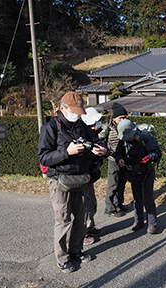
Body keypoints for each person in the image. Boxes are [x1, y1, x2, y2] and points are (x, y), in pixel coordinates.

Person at [38, 92, 108, 273]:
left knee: (81, 219)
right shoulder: (50, 128)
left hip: (82, 179)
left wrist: (103, 150)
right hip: (61, 181)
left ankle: (76, 251)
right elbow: (44, 158)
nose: (77, 115)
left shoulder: (81, 126)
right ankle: (62, 258)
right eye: (74, 111)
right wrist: (66, 152)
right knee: (63, 220)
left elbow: (96, 141)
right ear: (62, 109)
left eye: (79, 111)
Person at [114, 119, 162, 234]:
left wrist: (146, 159)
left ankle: (152, 224)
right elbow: (118, 152)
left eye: (128, 137)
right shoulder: (123, 141)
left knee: (148, 198)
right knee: (137, 199)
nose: (126, 139)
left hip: (147, 172)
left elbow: (157, 152)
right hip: (132, 172)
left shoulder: (145, 138)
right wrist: (119, 159)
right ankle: (138, 221)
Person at [80, 107, 106, 245]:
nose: (97, 125)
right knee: (83, 205)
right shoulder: (81, 134)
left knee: (91, 203)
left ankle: (90, 228)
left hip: (89, 175)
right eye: (95, 122)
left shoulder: (92, 133)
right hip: (81, 176)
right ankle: (81, 234)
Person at [98, 103, 129, 217]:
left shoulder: (127, 125)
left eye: (125, 117)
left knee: (122, 183)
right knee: (113, 184)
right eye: (120, 117)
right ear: (114, 118)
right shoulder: (107, 127)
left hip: (125, 159)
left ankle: (119, 203)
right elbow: (99, 140)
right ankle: (110, 209)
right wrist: (106, 152)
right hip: (113, 159)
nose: (123, 119)